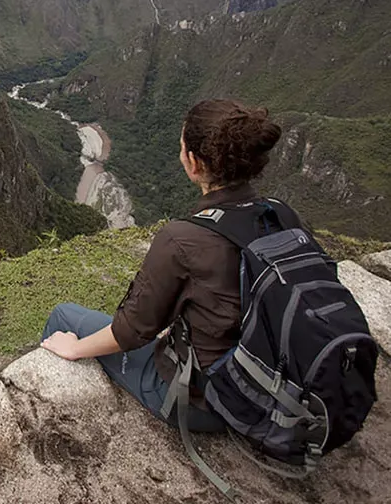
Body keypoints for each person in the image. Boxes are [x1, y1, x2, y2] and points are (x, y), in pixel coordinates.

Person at [40, 98, 296, 433]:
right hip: (276, 390)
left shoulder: (183, 238)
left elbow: (130, 330)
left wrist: (74, 348)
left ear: (193, 162)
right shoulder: (282, 215)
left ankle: (53, 411)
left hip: (205, 402)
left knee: (63, 315)